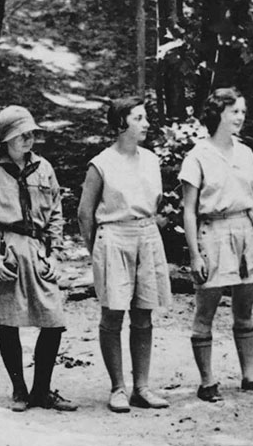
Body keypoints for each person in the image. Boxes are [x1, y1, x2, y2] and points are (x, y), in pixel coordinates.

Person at [0, 105, 77, 412]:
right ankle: (19, 389)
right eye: (21, 135)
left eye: (31, 134)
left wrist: (54, 254)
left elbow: (56, 214)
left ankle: (42, 390)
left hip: (38, 251)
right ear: (5, 139)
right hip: (5, 251)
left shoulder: (44, 168)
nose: (28, 140)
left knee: (53, 320)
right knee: (8, 320)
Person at [179, 87, 253, 402]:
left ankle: (249, 375)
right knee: (206, 310)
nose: (240, 118)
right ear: (218, 113)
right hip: (213, 232)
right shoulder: (197, 156)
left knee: (245, 310)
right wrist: (195, 253)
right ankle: (207, 381)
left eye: (242, 112)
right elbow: (189, 210)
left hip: (245, 232)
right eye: (234, 111)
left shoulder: (245, 152)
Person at [77, 97, 171, 412]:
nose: (146, 124)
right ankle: (118, 387)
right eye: (138, 118)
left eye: (145, 118)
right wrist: (96, 250)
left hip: (146, 235)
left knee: (143, 313)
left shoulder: (151, 160)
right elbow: (84, 213)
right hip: (113, 237)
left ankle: (141, 387)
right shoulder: (101, 163)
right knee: (113, 313)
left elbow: (154, 205)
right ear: (121, 124)